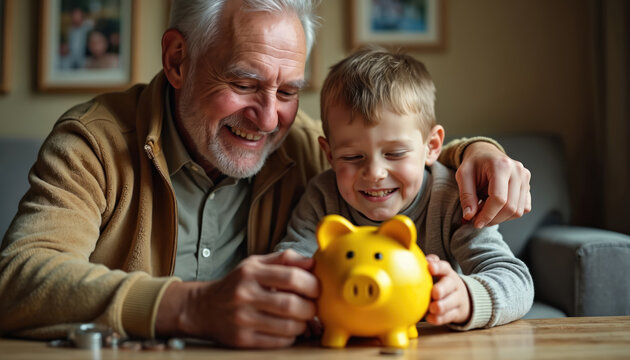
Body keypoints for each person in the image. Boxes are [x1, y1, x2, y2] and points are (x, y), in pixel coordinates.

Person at [0, 0, 531, 349]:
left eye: (288, 90)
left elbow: (391, 151)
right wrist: (192, 308)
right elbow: (18, 280)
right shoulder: (92, 141)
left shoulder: (301, 145)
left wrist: (475, 152)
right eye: (245, 82)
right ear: (178, 60)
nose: (269, 115)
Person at [275, 47, 534, 332]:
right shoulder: (322, 197)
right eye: (352, 157)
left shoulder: (452, 198)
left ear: (432, 147)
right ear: (329, 154)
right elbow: (291, 267)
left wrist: (468, 297)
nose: (374, 173)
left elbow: (516, 281)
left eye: (395, 153)